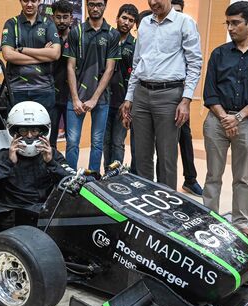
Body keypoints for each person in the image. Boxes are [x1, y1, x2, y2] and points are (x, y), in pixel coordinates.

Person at [202, 1, 248, 243]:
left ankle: (241, 223)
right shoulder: (219, 54)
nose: (230, 28)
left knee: (242, 177)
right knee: (213, 174)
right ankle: (209, 220)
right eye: (228, 23)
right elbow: (209, 91)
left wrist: (239, 117)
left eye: (235, 23)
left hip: (247, 123)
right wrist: (224, 117)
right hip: (216, 121)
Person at [120, 0, 202, 190]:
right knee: (141, 155)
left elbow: (195, 63)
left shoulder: (184, 22)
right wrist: (129, 96)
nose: (153, 2)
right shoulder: (145, 24)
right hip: (141, 93)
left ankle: (167, 206)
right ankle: (146, 201)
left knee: (167, 156)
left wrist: (186, 99)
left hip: (170, 95)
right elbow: (138, 62)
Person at [0, 101, 73, 212]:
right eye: (24, 131)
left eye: (34, 130)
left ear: (43, 132)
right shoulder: (3, 156)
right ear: (14, 132)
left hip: (47, 215)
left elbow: (74, 184)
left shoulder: (52, 155)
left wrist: (51, 163)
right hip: (15, 217)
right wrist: (8, 163)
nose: (29, 136)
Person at [64, 0, 120, 172]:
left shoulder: (112, 34)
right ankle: (70, 178)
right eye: (92, 4)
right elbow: (70, 67)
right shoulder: (76, 31)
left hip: (101, 98)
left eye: (99, 4)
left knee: (97, 143)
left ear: (105, 6)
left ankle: (92, 178)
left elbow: (110, 69)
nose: (95, 8)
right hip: (76, 97)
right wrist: (75, 99)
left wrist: (95, 99)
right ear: (87, 6)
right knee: (72, 142)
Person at [1, 0, 61, 116]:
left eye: (33, 0)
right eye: (25, 0)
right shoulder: (11, 23)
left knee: (42, 132)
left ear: (39, 1)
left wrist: (22, 50)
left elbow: (55, 54)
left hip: (44, 89)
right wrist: (43, 56)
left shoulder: (48, 23)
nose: (29, 4)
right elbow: (8, 55)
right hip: (16, 89)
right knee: (17, 132)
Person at [171, 0, 203, 197]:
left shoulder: (187, 27)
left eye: (179, 11)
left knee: (185, 137)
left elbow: (194, 62)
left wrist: (186, 98)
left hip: (179, 93)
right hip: (156, 94)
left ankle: (190, 179)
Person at [103, 4, 138, 171]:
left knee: (118, 142)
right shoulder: (107, 39)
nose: (127, 22)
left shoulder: (135, 45)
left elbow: (135, 76)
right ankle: (106, 175)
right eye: (124, 18)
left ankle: (116, 176)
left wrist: (129, 102)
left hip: (123, 103)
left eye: (131, 20)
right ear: (117, 18)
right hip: (103, 100)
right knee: (105, 142)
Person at [49, 0, 73, 148]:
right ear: (53, 17)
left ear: (71, 18)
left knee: (72, 139)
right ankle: (51, 169)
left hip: (72, 96)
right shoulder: (47, 37)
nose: (62, 20)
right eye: (58, 17)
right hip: (51, 94)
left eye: (65, 16)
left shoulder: (77, 38)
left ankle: (69, 170)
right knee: (50, 139)